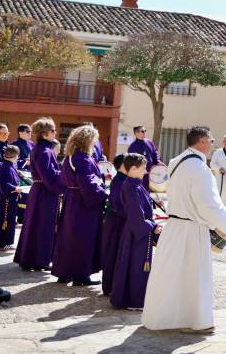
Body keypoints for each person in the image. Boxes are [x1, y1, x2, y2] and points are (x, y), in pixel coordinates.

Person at [142, 127, 226, 332]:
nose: (212, 144)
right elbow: (207, 204)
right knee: (194, 276)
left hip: (174, 226)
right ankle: (196, 321)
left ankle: (161, 318)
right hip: (191, 229)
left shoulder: (175, 161)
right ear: (203, 141)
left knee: (168, 274)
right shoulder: (199, 168)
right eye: (211, 140)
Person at [52, 126, 109, 287]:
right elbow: (88, 183)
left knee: (68, 238)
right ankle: (81, 276)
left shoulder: (70, 157)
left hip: (72, 200)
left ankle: (65, 273)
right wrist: (104, 194)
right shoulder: (83, 159)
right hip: (84, 204)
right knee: (84, 240)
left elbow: (64, 179)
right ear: (88, 141)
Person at [110, 153, 160, 311]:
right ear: (132, 168)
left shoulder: (135, 184)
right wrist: (152, 225)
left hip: (137, 231)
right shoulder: (131, 187)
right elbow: (136, 216)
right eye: (143, 168)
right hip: (136, 233)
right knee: (136, 267)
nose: (146, 171)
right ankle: (133, 300)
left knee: (135, 266)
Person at [15, 118, 65, 272]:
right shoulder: (45, 151)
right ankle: (40, 260)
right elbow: (49, 176)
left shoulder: (41, 149)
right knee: (43, 226)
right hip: (45, 192)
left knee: (35, 225)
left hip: (41, 190)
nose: (55, 133)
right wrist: (64, 183)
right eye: (53, 130)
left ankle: (31, 258)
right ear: (45, 133)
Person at [99, 154, 128, 296]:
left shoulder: (125, 180)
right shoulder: (119, 181)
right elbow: (118, 204)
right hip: (115, 223)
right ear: (123, 166)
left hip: (120, 222)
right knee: (112, 254)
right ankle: (109, 287)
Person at [127, 125, 161, 190]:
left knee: (148, 192)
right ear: (136, 133)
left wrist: (158, 162)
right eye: (142, 131)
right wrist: (142, 170)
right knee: (141, 191)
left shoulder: (149, 142)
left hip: (151, 173)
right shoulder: (132, 147)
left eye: (145, 131)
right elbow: (133, 162)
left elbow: (155, 153)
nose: (144, 133)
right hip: (140, 175)